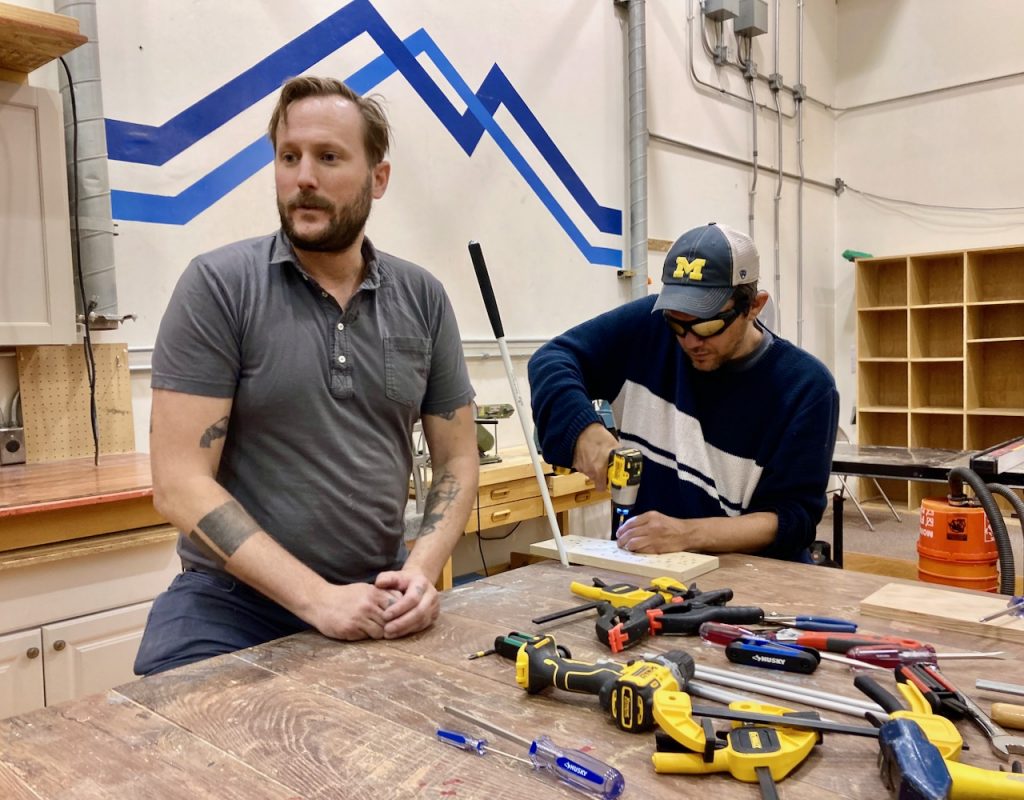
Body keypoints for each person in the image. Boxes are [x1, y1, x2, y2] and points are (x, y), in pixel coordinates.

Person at [134, 76, 479, 676]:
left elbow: (457, 460)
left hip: (376, 595)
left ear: (378, 178)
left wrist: (421, 572)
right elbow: (179, 483)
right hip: (230, 604)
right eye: (289, 157)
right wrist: (316, 599)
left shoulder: (422, 297)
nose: (304, 178)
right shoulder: (219, 287)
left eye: (328, 157)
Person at [528, 222, 838, 561]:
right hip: (651, 568)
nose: (690, 340)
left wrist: (686, 533)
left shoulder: (805, 388)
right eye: (677, 322)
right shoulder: (648, 328)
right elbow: (552, 359)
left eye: (707, 325)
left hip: (755, 577)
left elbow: (794, 519)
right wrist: (584, 431)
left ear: (754, 306)